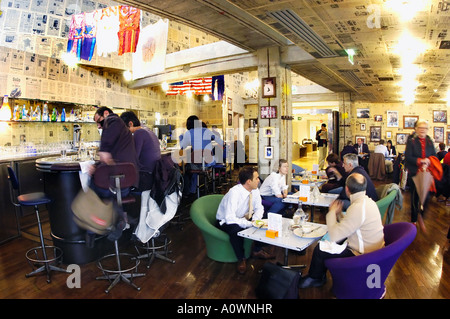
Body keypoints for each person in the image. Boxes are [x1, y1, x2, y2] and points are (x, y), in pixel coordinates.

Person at [298, 173, 385, 288]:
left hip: (362, 254)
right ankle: (320, 274)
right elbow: (352, 224)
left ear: (347, 189)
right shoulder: (368, 202)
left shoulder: (357, 207)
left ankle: (315, 278)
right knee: (328, 244)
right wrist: (339, 214)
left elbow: (335, 235)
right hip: (374, 248)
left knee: (320, 249)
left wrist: (332, 212)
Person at [216, 166, 275, 274]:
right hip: (226, 220)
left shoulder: (255, 190)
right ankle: (241, 258)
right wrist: (249, 224)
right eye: (256, 178)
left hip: (244, 217)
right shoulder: (234, 193)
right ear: (248, 181)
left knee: (265, 219)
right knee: (236, 230)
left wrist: (256, 221)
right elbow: (230, 218)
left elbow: (259, 207)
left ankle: (257, 250)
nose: (259, 180)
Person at [92, 106, 139, 197]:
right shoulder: (120, 128)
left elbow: (107, 144)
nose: (98, 126)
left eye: (98, 121)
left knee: (90, 188)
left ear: (106, 114)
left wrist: (103, 150)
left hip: (120, 185)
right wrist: (96, 165)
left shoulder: (113, 120)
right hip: (126, 181)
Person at [179, 115, 223, 196]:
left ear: (188, 124)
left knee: (187, 167)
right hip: (209, 161)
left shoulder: (188, 133)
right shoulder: (206, 130)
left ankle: (190, 191)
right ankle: (194, 189)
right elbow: (221, 141)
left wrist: (181, 137)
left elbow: (182, 146)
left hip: (197, 162)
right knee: (199, 164)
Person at [404, 119, 437, 231]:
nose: (422, 130)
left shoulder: (429, 141)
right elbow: (408, 157)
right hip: (415, 173)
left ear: (427, 130)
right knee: (415, 197)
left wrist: (429, 160)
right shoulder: (411, 141)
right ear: (416, 129)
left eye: (425, 128)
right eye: (420, 127)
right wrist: (420, 161)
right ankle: (413, 220)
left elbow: (434, 156)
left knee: (427, 197)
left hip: (426, 173)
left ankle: (421, 215)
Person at [120, 111, 161, 191]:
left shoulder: (139, 133)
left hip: (145, 176)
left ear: (130, 124)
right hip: (154, 173)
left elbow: (134, 157)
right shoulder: (147, 130)